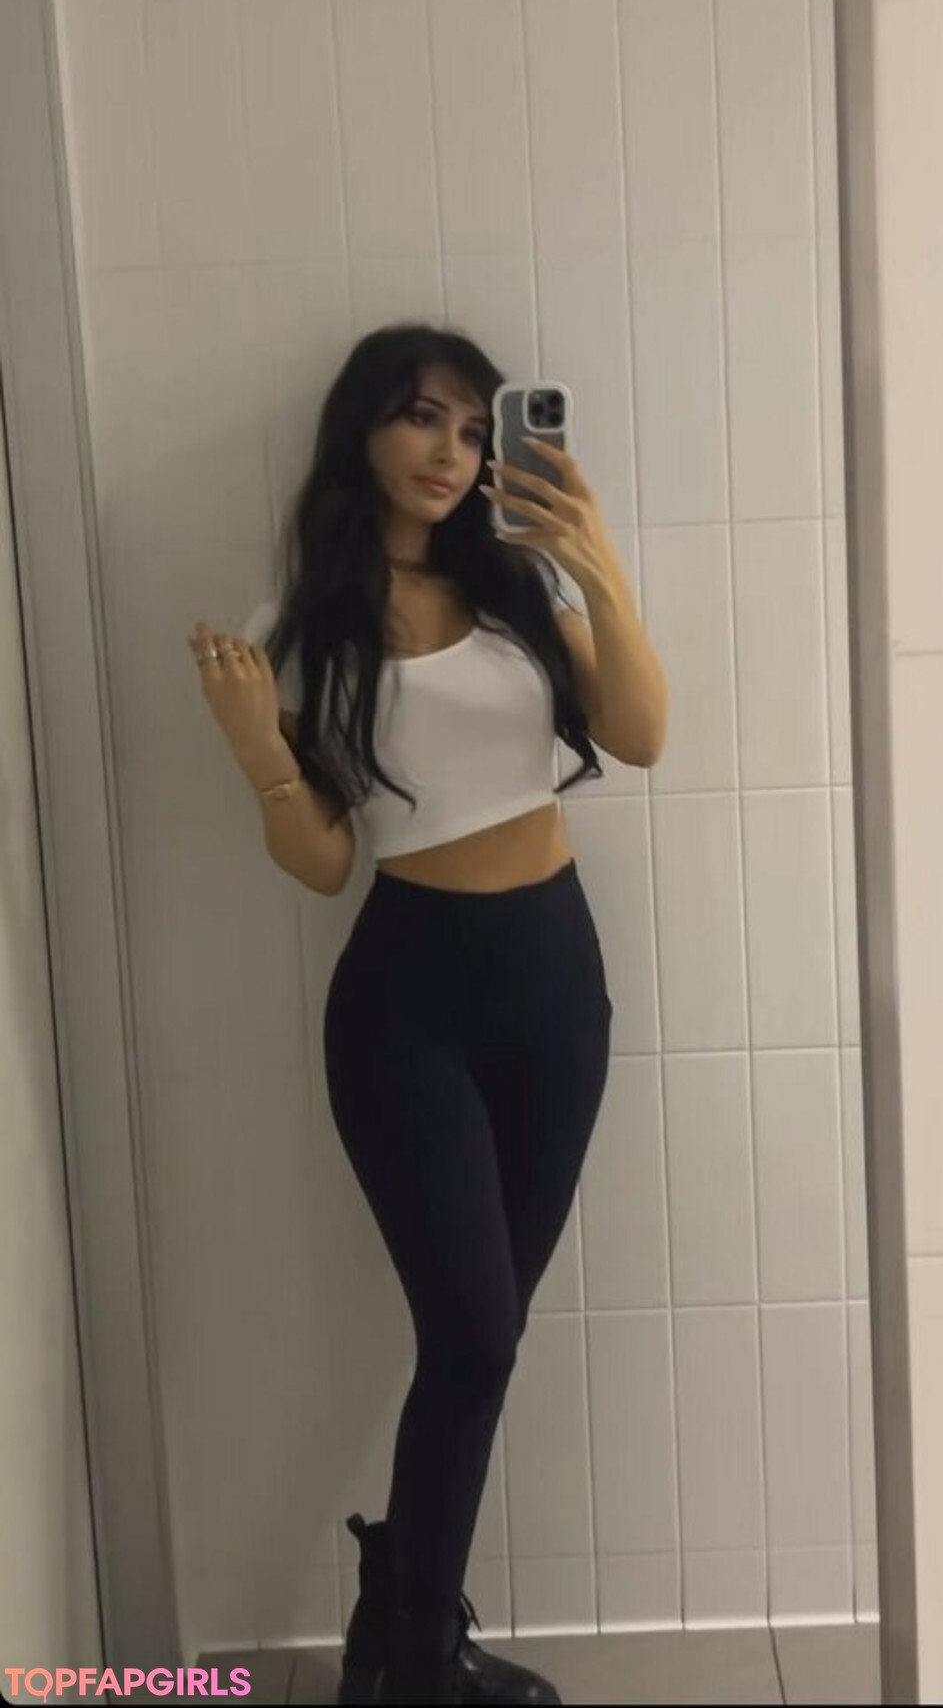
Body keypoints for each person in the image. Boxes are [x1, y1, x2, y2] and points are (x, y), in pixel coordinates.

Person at [188, 324, 667, 1705]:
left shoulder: (522, 586)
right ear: (363, 432)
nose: (450, 450)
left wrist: (597, 558)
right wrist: (259, 755)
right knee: (473, 1339)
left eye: (470, 426)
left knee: (480, 1343)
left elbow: (641, 734)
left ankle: (399, 1629)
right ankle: (415, 1657)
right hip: (409, 1006)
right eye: (420, 417)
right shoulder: (305, 626)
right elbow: (327, 862)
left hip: (556, 986)